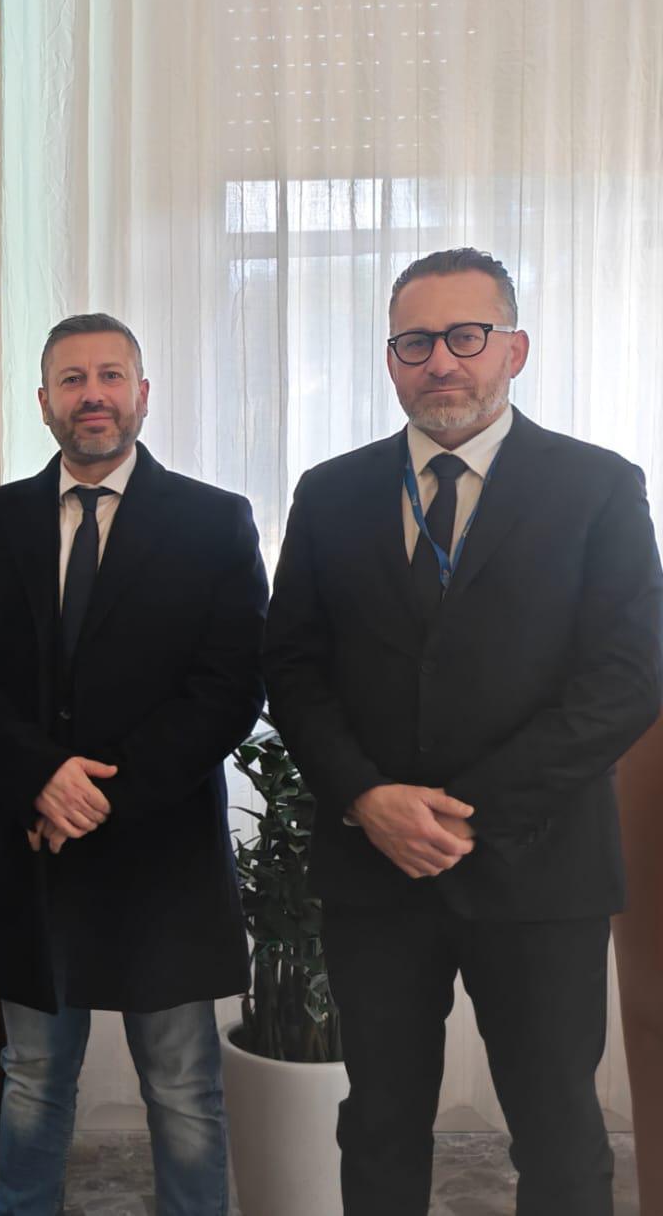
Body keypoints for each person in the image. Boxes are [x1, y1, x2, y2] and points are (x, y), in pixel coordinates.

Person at [264, 247, 663, 1216]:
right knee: (378, 1121)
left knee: (558, 1131)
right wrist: (367, 797)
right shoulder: (329, 491)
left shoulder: (599, 486)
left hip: (541, 872)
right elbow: (293, 668)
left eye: (465, 336)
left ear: (513, 350)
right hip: (373, 872)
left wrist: (462, 812)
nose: (440, 360)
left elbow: (626, 677)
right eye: (415, 341)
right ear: (389, 359)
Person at [0, 312, 267, 1216]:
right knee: (34, 1078)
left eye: (111, 376)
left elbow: (229, 686)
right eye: (72, 380)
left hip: (161, 850)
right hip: (30, 846)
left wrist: (101, 795)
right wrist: (42, 776)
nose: (93, 395)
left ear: (142, 394)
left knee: (182, 1085)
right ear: (44, 402)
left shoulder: (214, 522)